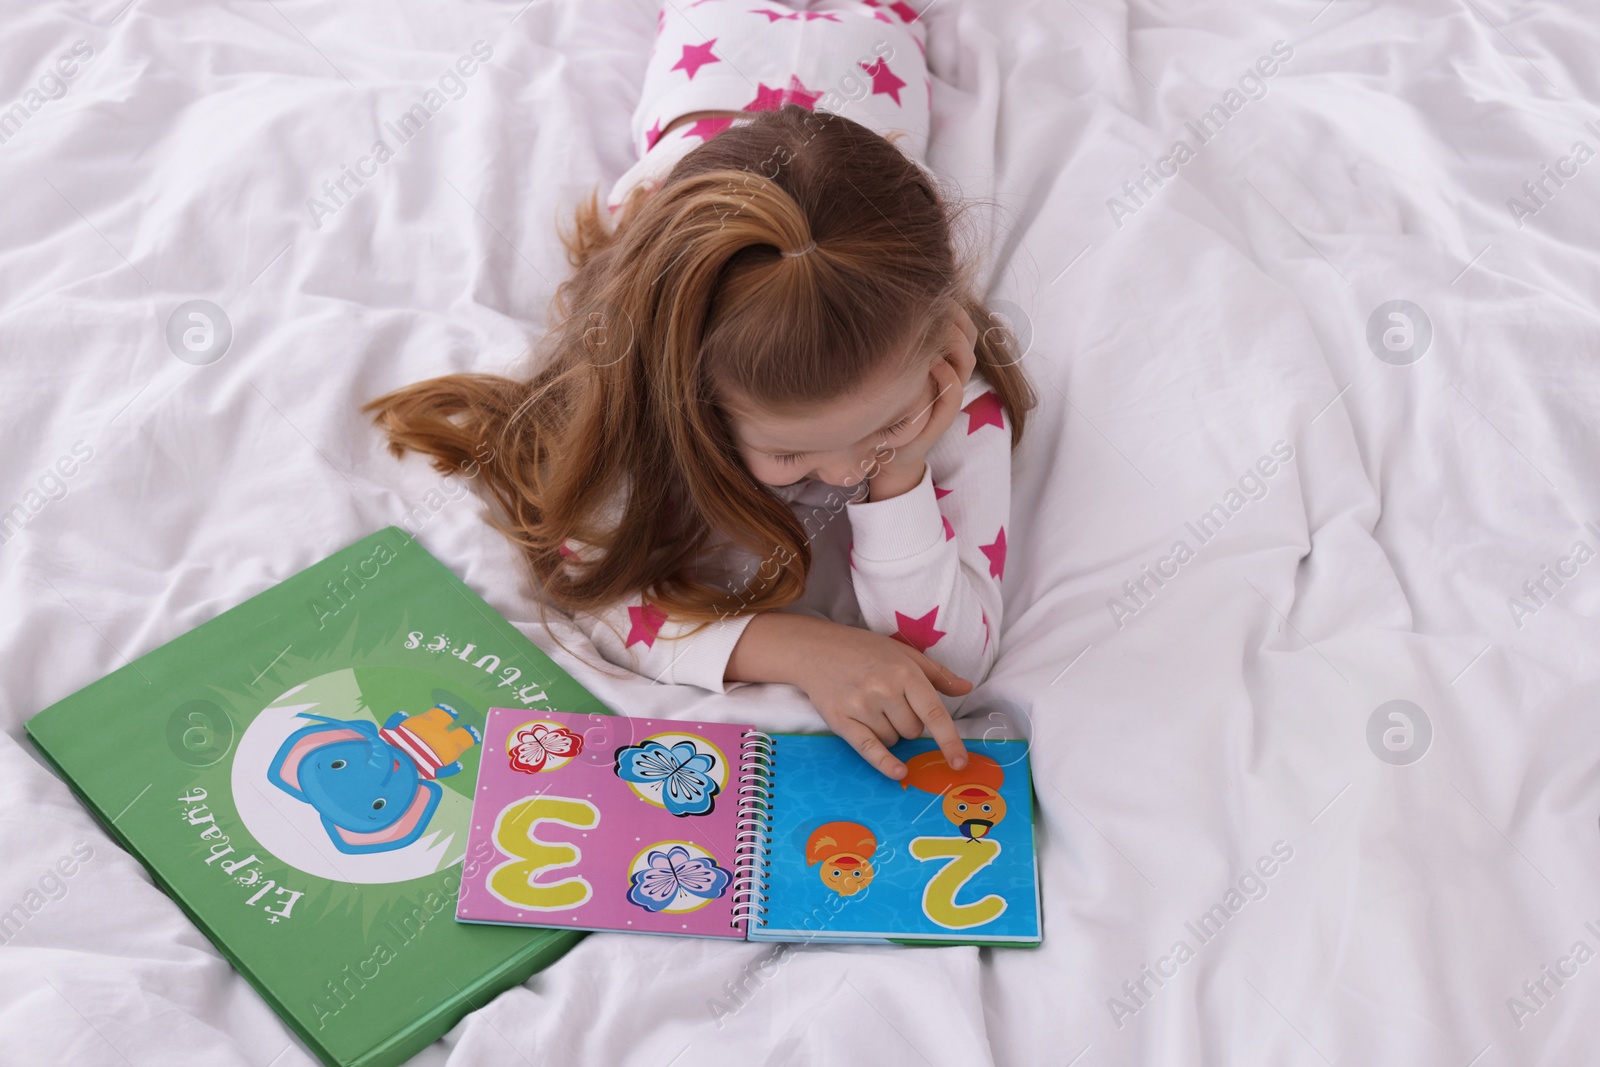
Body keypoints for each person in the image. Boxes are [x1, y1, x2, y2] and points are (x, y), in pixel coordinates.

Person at [365, 0, 1035, 779]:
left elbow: (949, 662)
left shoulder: (950, 388)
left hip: (863, 79)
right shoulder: (642, 365)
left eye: (879, 431)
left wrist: (903, 472)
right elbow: (593, 577)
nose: (850, 470)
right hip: (717, 57)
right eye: (790, 451)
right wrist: (800, 647)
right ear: (692, 400)